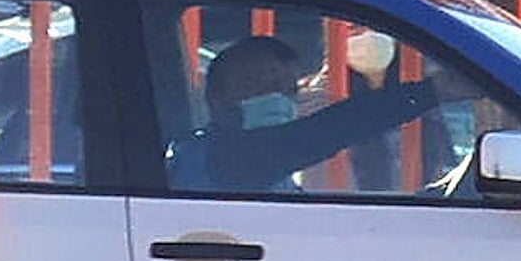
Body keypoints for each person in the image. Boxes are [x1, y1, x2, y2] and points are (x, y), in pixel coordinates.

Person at [181, 33, 467, 193]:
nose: (276, 98)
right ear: (215, 99)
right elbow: (331, 130)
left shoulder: (274, 172)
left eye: (287, 90)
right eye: (259, 86)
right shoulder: (218, 158)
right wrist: (433, 91)